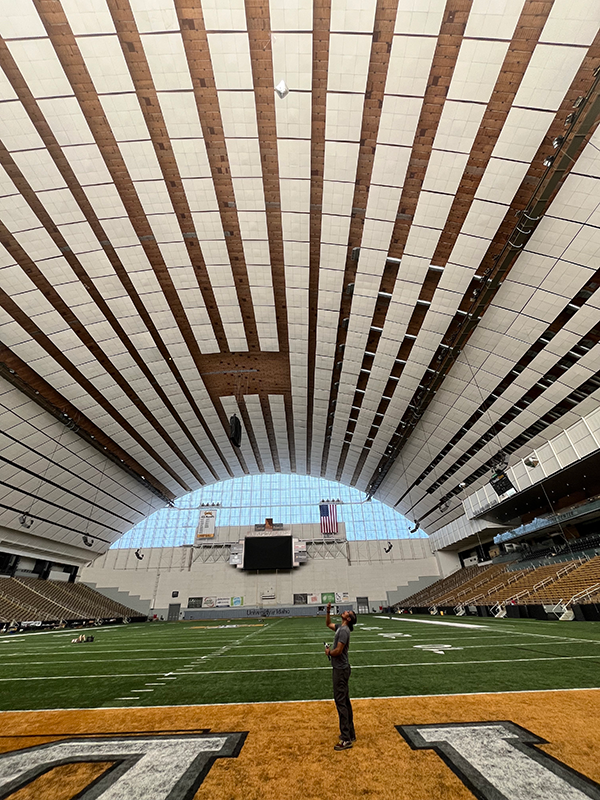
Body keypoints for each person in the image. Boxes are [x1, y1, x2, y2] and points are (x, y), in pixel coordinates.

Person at [324, 602, 357, 750]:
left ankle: (345, 739)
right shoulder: (340, 628)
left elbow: (338, 650)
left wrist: (329, 653)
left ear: (348, 619)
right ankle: (350, 733)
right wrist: (328, 611)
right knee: (345, 701)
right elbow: (328, 624)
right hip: (342, 669)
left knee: (341, 702)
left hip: (340, 670)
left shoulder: (344, 631)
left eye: (347, 612)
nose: (345, 611)